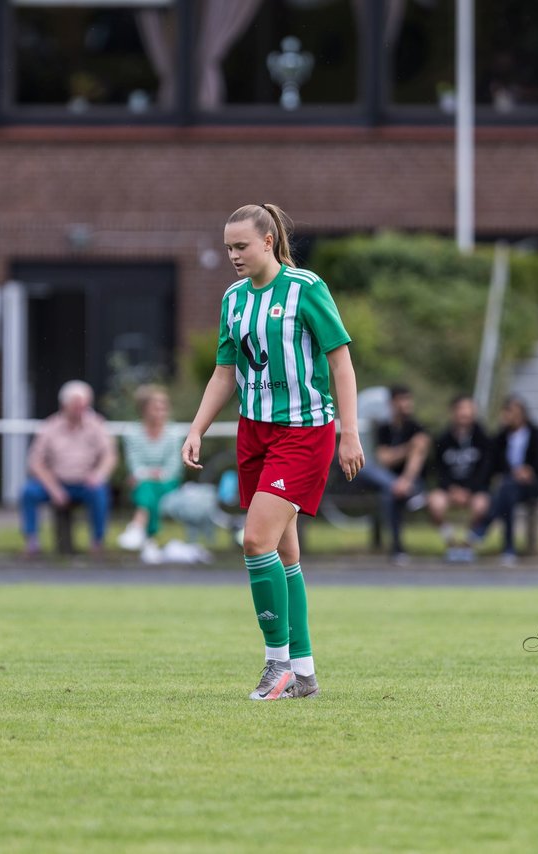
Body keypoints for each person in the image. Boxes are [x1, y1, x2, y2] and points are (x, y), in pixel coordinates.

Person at [183, 202, 363, 701]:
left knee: (255, 541)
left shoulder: (306, 289)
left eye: (241, 246)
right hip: (254, 432)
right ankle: (303, 674)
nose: (233, 256)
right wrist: (197, 428)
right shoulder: (234, 298)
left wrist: (350, 431)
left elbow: (341, 361)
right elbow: (224, 371)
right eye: (227, 248)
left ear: (267, 241)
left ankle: (276, 665)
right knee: (284, 550)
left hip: (304, 432)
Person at [20, 380, 117, 557]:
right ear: (65, 405)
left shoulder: (96, 425)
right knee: (28, 492)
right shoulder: (49, 427)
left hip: (85, 484)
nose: (81, 410)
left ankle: (97, 541)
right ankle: (31, 541)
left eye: (84, 406)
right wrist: (54, 488)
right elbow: (35, 462)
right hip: (56, 483)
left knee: (100, 492)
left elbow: (109, 456)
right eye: (77, 406)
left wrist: (98, 474)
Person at [353, 385, 431, 563]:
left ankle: (397, 548)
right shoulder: (384, 428)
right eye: (401, 400)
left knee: (390, 496)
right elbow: (384, 459)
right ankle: (400, 488)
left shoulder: (416, 427)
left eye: (408, 400)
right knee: (367, 470)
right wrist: (408, 448)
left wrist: (405, 480)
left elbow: (417, 457)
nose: (406, 404)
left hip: (411, 482)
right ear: (392, 403)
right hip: (388, 480)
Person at [469, 396, 538, 567]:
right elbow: (494, 465)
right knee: (508, 492)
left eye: (512, 412)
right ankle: (508, 548)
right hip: (508, 485)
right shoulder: (501, 437)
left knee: (506, 489)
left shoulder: (535, 433)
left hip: (530, 485)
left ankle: (484, 528)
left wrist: (527, 471)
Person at [117, 384, 186, 552]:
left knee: (147, 487)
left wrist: (150, 474)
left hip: (168, 483)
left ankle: (138, 527)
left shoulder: (175, 432)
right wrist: (147, 474)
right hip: (142, 482)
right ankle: (150, 541)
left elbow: (174, 468)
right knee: (147, 487)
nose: (160, 412)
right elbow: (134, 465)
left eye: (164, 408)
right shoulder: (132, 432)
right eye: (156, 407)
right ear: (144, 409)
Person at [426, 394, 491, 561]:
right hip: (450, 489)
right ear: (453, 412)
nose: (465, 413)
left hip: (474, 490)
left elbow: (485, 469)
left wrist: (469, 490)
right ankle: (451, 542)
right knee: (434, 501)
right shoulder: (443, 438)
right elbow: (438, 469)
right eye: (461, 409)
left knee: (481, 504)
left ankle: (468, 544)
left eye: (468, 409)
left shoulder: (483, 438)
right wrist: (452, 489)